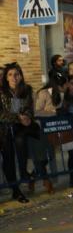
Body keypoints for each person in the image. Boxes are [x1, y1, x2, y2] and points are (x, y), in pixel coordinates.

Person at [0, 63, 33, 203]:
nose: (14, 77)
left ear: (21, 76)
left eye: (16, 74)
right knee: (8, 161)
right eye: (10, 75)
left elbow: (28, 108)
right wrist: (18, 118)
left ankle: (24, 174)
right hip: (4, 131)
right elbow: (1, 114)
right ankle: (15, 190)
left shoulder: (25, 90)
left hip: (19, 130)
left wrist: (27, 117)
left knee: (21, 151)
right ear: (6, 78)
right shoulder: (1, 92)